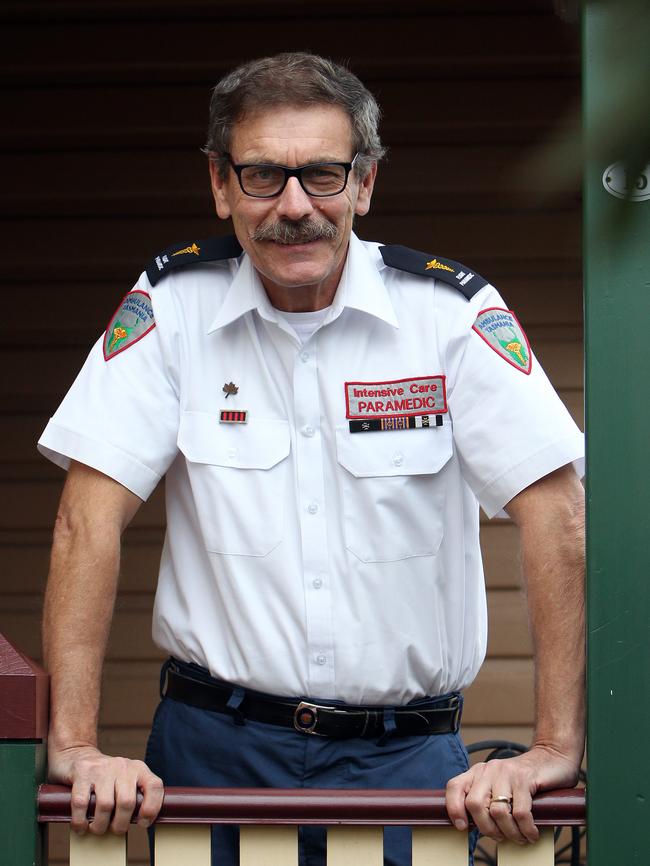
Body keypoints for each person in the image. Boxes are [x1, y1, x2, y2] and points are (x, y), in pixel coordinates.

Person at [39, 52, 585, 865]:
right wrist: (76, 743)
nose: (295, 207)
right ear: (220, 186)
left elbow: (557, 517)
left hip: (408, 761)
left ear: (364, 184)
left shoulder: (450, 315)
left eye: (323, 175)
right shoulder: (171, 309)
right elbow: (87, 522)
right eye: (262, 176)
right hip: (211, 753)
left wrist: (552, 743)